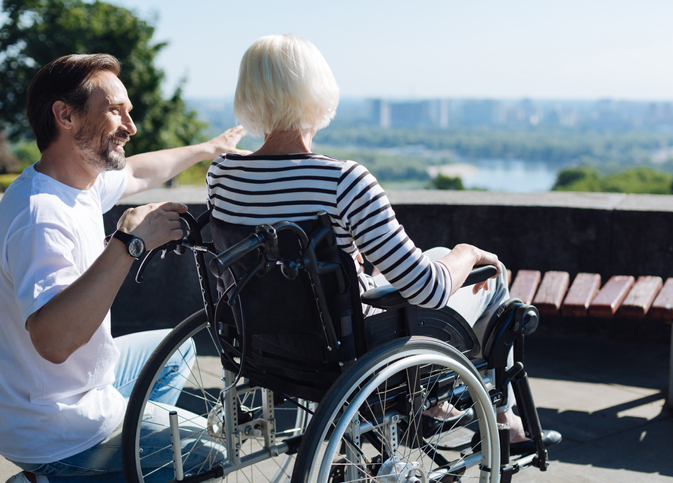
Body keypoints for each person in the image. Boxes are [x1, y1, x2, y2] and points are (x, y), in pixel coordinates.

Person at [206, 34, 561, 452]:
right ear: (316, 91)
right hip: (344, 344)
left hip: (261, 342)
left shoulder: (223, 175)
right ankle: (505, 421)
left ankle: (439, 405)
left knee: (427, 259)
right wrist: (468, 251)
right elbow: (426, 289)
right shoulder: (344, 180)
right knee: (488, 279)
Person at [0, 54, 247, 483]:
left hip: (68, 392)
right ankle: (66, 475)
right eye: (115, 111)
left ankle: (126, 462)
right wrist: (128, 244)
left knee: (175, 354)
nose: (130, 127)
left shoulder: (77, 182)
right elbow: (53, 340)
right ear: (66, 115)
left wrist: (210, 150)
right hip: (53, 428)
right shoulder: (40, 216)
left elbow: (135, 172)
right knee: (215, 453)